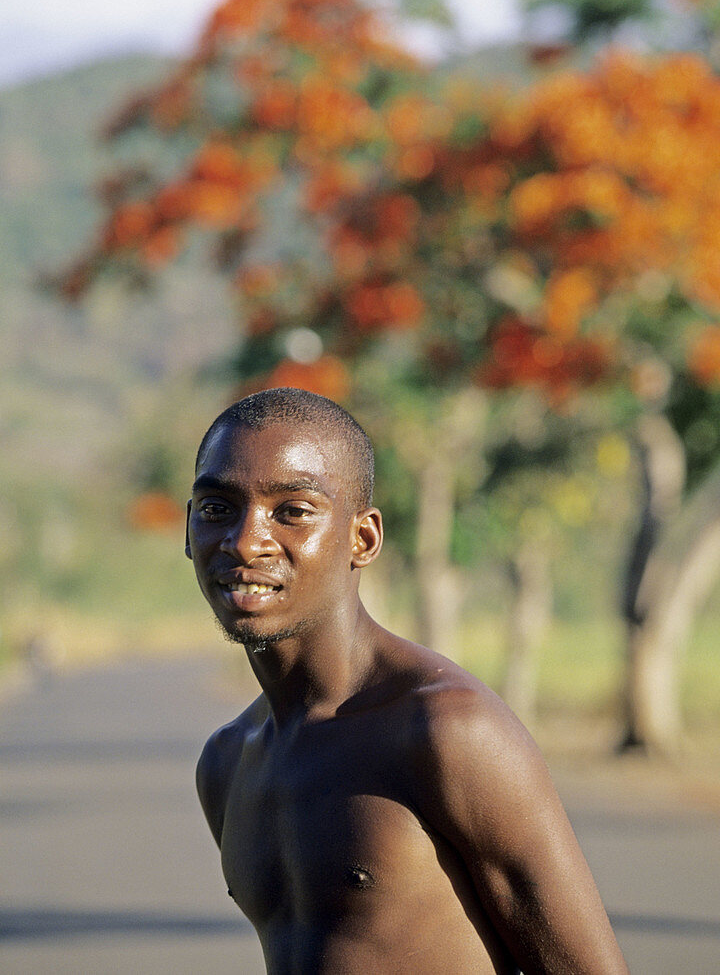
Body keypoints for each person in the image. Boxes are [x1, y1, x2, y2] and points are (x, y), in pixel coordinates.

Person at [188, 387, 628, 974]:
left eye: (292, 511)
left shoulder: (445, 730)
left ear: (362, 539)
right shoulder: (226, 762)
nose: (245, 540)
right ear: (187, 530)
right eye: (217, 508)